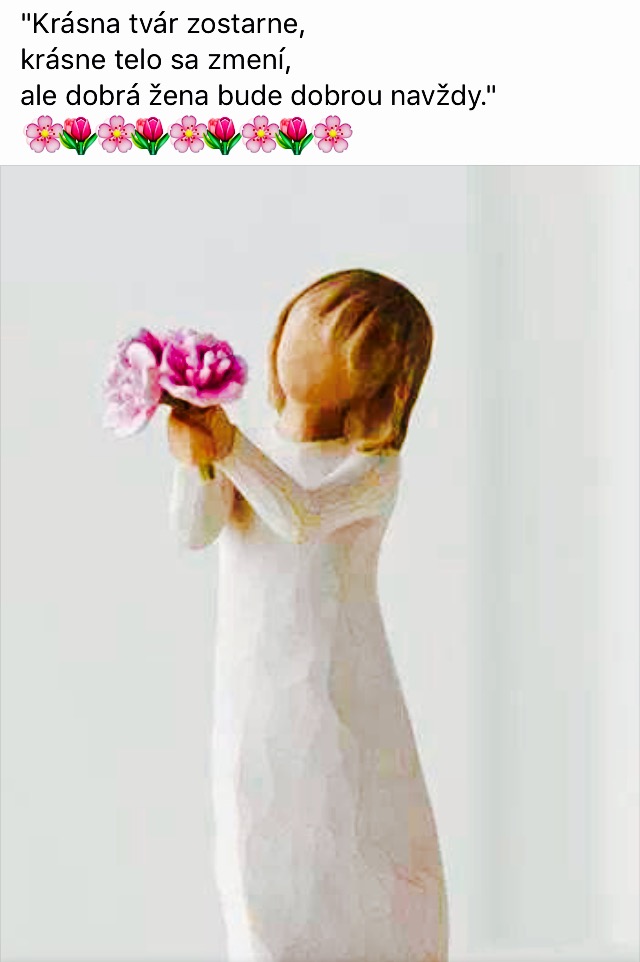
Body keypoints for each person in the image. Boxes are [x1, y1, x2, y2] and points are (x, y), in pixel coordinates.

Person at [167, 269, 449, 962]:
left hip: (340, 686)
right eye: (306, 319)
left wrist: (230, 448)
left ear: (380, 381)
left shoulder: (372, 470)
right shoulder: (255, 448)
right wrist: (196, 462)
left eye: (335, 335)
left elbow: (301, 516)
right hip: (252, 683)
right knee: (261, 827)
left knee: (353, 823)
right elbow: (195, 530)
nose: (301, 340)